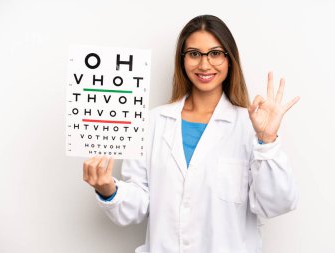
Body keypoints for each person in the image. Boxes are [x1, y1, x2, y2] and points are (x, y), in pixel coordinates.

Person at [83, 14, 300, 253]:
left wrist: (267, 141)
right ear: (182, 60)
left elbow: (277, 204)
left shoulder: (251, 126)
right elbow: (140, 205)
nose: (204, 65)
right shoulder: (153, 122)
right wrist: (108, 190)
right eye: (194, 54)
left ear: (230, 59)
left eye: (215, 53)